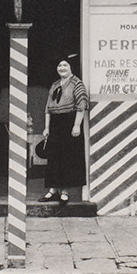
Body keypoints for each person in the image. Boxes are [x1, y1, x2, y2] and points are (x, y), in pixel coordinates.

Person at [38, 54, 88, 204]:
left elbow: (82, 105)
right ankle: (52, 190)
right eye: (60, 66)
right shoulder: (55, 85)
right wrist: (47, 127)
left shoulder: (77, 83)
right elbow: (48, 108)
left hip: (70, 123)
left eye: (65, 65)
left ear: (71, 67)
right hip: (55, 124)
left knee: (68, 158)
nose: (62, 68)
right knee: (54, 157)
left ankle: (65, 191)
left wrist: (77, 125)